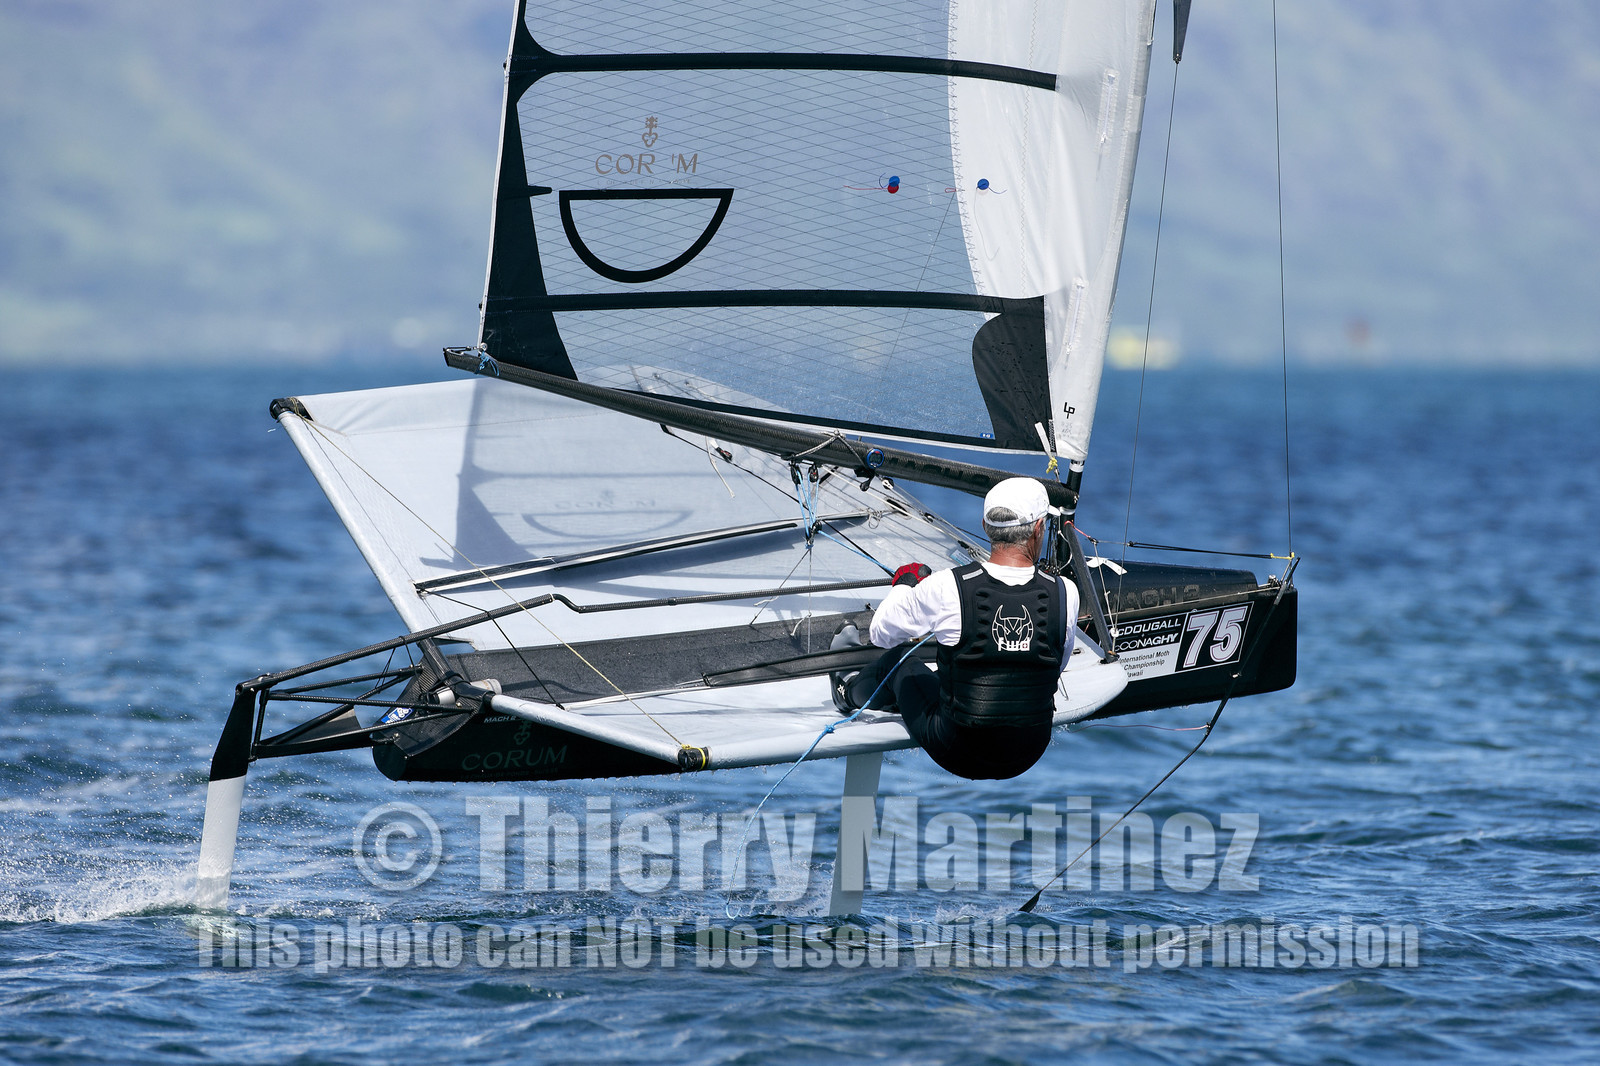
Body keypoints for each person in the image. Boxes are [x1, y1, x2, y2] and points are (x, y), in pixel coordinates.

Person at [831, 477, 1079, 780]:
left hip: (958, 750)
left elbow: (882, 634)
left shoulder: (948, 586)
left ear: (986, 526)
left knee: (900, 661)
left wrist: (905, 584)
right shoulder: (1066, 591)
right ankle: (900, 697)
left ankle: (846, 690)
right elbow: (1056, 664)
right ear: (1039, 527)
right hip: (1029, 751)